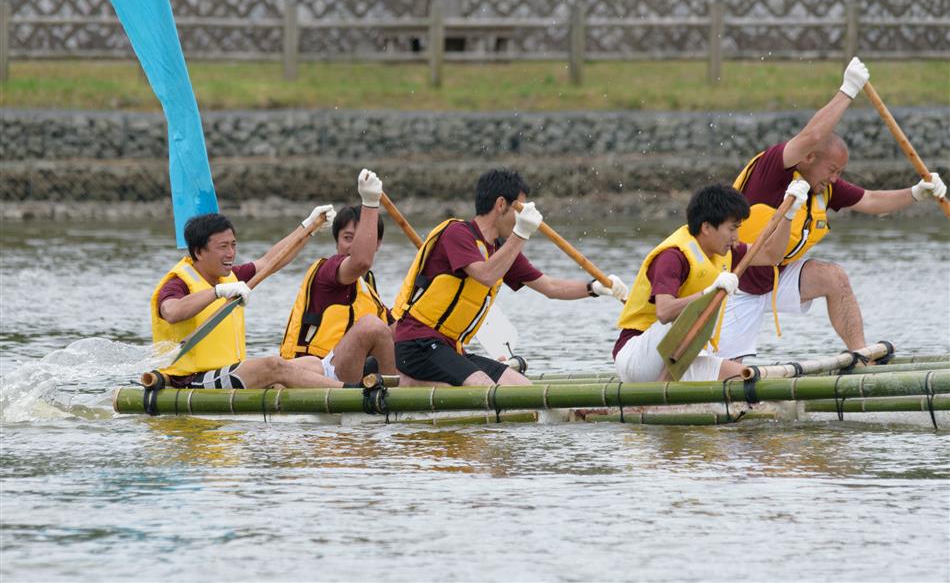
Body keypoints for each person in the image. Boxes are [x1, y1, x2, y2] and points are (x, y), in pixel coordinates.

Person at [717, 56, 947, 361]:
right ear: (809, 158)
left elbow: (872, 201)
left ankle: (860, 357)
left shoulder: (822, 187)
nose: (836, 178)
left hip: (776, 277)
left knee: (834, 277)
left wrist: (918, 193)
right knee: (727, 375)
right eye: (833, 169)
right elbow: (812, 135)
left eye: (840, 172)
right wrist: (848, 89)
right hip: (735, 283)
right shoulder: (774, 167)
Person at [392, 168, 629, 387]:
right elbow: (485, 274)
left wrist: (595, 288)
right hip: (417, 345)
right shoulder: (458, 233)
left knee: (525, 389)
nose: (522, 216)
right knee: (485, 388)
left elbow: (550, 287)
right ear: (501, 204)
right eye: (521, 209)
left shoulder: (502, 251)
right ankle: (411, 383)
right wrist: (521, 233)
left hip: (452, 349)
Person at [613, 183, 808, 382]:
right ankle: (658, 400)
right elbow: (664, 312)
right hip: (637, 359)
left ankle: (663, 402)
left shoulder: (725, 251)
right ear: (706, 227)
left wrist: (788, 216)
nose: (736, 237)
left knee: (746, 379)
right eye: (732, 229)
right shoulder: (673, 256)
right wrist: (709, 292)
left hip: (679, 358)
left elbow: (771, 255)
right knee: (694, 315)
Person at [151, 206, 359, 390]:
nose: (231, 253)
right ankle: (353, 393)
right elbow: (172, 311)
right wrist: (216, 292)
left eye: (233, 245)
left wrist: (308, 228)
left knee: (312, 363)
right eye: (222, 247)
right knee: (272, 365)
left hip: (228, 371)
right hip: (193, 379)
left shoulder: (231, 277)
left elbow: (271, 261)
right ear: (198, 252)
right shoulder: (178, 283)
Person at [279, 169, 405, 385]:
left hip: (346, 371)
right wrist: (370, 202)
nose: (354, 245)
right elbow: (360, 261)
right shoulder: (328, 270)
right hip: (310, 374)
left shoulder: (368, 289)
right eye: (348, 238)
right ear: (336, 242)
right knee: (372, 327)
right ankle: (391, 405)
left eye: (362, 238)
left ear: (377, 243)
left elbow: (397, 332)